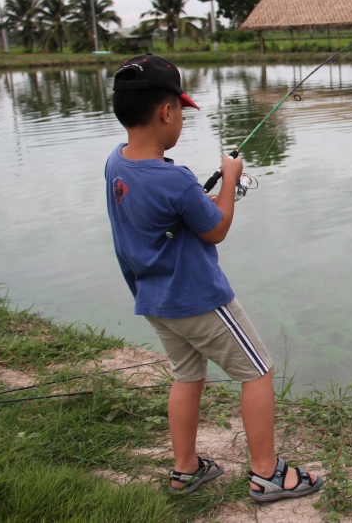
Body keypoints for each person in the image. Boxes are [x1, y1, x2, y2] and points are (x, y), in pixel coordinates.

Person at [105, 54, 323, 502]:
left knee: (187, 376)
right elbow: (216, 228)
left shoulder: (117, 164)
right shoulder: (178, 181)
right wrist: (230, 179)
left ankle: (185, 469)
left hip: (154, 299)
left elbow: (164, 215)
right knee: (257, 371)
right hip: (199, 299)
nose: (181, 119)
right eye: (181, 111)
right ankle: (266, 473)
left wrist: (198, 200)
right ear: (167, 111)